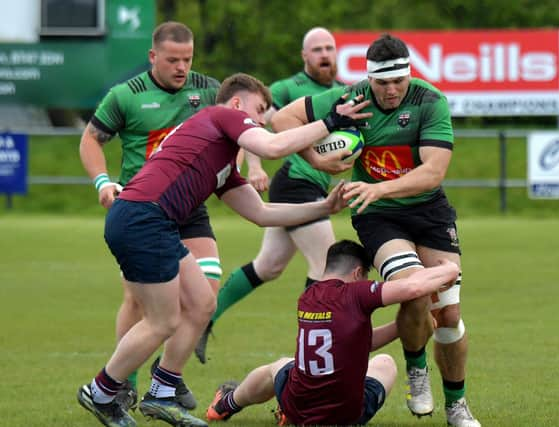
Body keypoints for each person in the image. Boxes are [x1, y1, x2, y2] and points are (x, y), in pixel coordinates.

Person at [76, 72, 370, 427]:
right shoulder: (222, 115)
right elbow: (273, 147)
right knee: (162, 320)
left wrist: (323, 208)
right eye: (259, 110)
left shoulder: (223, 158)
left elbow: (261, 214)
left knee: (202, 303)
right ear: (236, 103)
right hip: (142, 218)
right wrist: (330, 122)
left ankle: (162, 393)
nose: (261, 120)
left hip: (153, 221)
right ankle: (101, 393)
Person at [270, 34, 481, 427]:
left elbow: (434, 172)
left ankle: (457, 406)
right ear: (369, 79)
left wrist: (377, 185)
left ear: (408, 75)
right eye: (382, 83)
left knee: (448, 313)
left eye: (397, 81)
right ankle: (416, 369)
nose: (390, 90)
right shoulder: (352, 99)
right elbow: (281, 119)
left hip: (429, 212)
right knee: (413, 287)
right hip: (378, 215)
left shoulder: (430, 101)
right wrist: (317, 158)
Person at [79, 21, 221, 411]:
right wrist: (103, 182)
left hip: (189, 206)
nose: (181, 67)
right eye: (173, 59)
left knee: (206, 294)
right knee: (141, 302)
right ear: (153, 56)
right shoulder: (126, 95)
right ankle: (125, 383)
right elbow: (91, 139)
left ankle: (166, 378)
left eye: (187, 59)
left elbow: (243, 124)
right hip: (142, 206)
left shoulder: (209, 89)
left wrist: (251, 162)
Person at [194, 27, 347, 362]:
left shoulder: (343, 93)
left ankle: (202, 321)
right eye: (317, 49)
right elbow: (252, 127)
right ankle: (312, 351)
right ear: (304, 56)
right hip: (296, 183)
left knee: (269, 266)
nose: (324, 54)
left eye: (329, 48)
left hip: (311, 185)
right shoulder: (286, 89)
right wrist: (256, 166)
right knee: (325, 263)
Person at [205, 240, 460, 426]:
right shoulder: (355, 292)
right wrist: (449, 270)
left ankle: (224, 406)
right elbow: (413, 287)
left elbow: (352, 342)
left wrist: (399, 328)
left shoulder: (307, 297)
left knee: (280, 365)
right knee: (385, 363)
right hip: (347, 415)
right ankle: (285, 414)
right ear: (357, 273)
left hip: (298, 405)